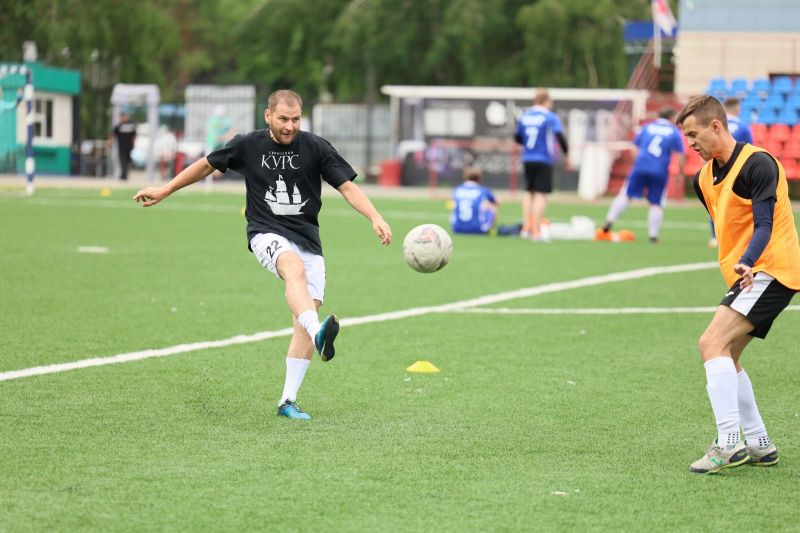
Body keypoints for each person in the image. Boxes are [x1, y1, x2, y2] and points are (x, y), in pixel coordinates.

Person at [133, 90, 393, 420]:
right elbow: (206, 165)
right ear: (268, 116)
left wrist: (375, 216)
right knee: (293, 270)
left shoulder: (316, 147)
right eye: (283, 119)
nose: (290, 126)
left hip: (308, 239)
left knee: (303, 319)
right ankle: (319, 332)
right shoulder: (248, 145)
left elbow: (347, 187)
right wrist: (165, 189)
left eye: (295, 119)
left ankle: (288, 401)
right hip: (265, 231)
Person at [676, 94, 800, 473]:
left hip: (772, 269)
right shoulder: (702, 179)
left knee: (710, 343)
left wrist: (747, 261)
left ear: (716, 126)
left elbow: (764, 224)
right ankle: (760, 443)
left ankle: (729, 443)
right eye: (686, 137)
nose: (690, 143)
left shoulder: (758, 164)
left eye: (694, 134)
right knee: (726, 355)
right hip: (749, 274)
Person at [599, 108, 686, 243]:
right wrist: (680, 172)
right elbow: (680, 155)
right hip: (659, 170)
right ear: (671, 117)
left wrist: (639, 162)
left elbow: (634, 147)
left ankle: (608, 222)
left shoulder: (647, 127)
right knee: (656, 203)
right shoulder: (674, 132)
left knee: (626, 195)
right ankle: (653, 236)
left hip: (640, 166)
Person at [514, 89, 568, 241]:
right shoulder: (549, 116)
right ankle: (536, 230)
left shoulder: (525, 116)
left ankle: (526, 228)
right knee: (541, 194)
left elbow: (517, 137)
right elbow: (559, 135)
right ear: (546, 101)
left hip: (527, 158)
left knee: (528, 192)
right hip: (543, 158)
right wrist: (566, 152)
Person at [706, 98, 755, 247]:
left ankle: (715, 236)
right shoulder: (743, 126)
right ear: (737, 109)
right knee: (737, 203)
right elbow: (750, 149)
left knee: (715, 201)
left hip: (716, 167)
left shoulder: (714, 125)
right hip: (737, 168)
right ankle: (738, 237)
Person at [450, 166, 498, 235]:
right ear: (479, 179)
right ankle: (491, 228)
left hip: (457, 228)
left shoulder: (457, 190)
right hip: (477, 228)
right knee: (492, 206)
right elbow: (497, 202)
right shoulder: (482, 190)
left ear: (465, 178)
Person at [112, 112, 136, 181]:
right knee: (122, 160)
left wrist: (134, 143)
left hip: (129, 146)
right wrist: (111, 142)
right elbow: (113, 133)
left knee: (127, 160)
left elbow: (134, 134)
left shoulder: (131, 124)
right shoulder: (119, 126)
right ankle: (123, 175)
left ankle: (124, 174)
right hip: (121, 146)